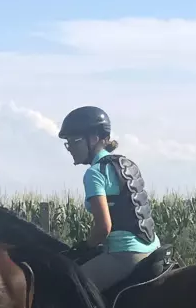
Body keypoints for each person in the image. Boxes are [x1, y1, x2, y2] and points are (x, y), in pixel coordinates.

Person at [59, 105, 160, 291]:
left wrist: (83, 247)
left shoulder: (94, 173)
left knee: (67, 288)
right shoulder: (126, 164)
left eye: (74, 141)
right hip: (153, 248)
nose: (70, 148)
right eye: (68, 142)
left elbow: (103, 228)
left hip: (125, 254)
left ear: (94, 139)